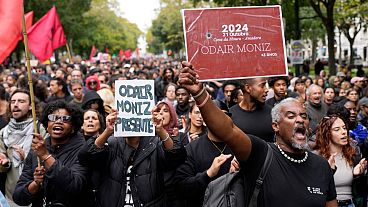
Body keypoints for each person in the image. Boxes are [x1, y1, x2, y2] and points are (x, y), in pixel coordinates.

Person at [178, 62, 338, 207]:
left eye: (304, 116)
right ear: (275, 126)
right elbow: (227, 130)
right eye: (291, 116)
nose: (300, 120)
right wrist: (199, 93)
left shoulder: (322, 166)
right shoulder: (261, 155)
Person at [78, 104, 186, 207]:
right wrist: (107, 131)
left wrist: (160, 130)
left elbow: (177, 157)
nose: (131, 121)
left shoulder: (154, 144)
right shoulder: (111, 144)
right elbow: (85, 158)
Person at [12, 101, 92, 207]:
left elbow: (75, 185)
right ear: (47, 125)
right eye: (53, 118)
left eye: (65, 119)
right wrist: (35, 184)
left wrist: (46, 156)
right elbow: (18, 198)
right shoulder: (36, 150)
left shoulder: (84, 150)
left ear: (73, 127)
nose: (58, 121)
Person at [0, 89, 46, 206]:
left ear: (31, 106)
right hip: (11, 195)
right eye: (13, 101)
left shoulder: (39, 129)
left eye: (21, 101)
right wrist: (4, 163)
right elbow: (2, 167)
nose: (15, 105)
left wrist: (27, 158)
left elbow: (47, 159)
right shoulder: (3, 133)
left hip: (36, 193)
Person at [314, 115, 367, 207]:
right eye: (337, 129)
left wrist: (357, 176)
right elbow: (313, 188)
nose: (343, 132)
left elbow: (361, 193)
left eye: (344, 128)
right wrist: (328, 172)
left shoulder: (353, 155)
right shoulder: (316, 157)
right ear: (327, 133)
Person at [229, 77, 274, 142]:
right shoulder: (231, 115)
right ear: (248, 88)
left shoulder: (272, 113)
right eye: (262, 86)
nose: (267, 90)